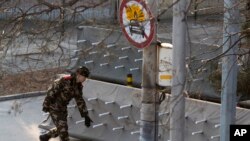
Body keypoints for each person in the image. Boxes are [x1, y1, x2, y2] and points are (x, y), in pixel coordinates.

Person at [39, 66, 93, 141]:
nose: (85, 79)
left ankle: (46, 136)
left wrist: (85, 115)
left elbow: (80, 100)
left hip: (63, 108)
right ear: (79, 75)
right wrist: (46, 104)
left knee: (63, 127)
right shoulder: (65, 80)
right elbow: (52, 91)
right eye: (84, 77)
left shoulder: (78, 87)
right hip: (54, 106)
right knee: (63, 130)